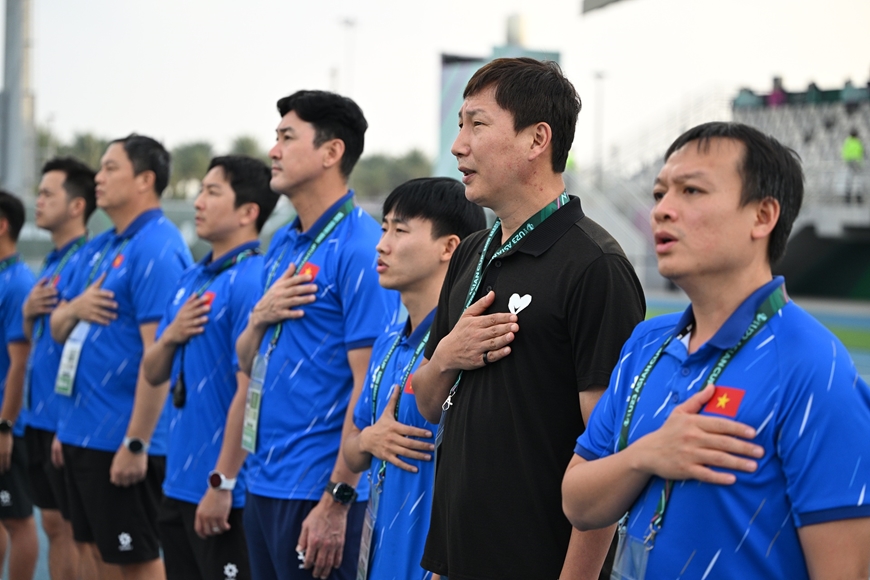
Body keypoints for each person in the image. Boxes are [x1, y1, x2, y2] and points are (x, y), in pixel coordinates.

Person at [562, 122, 870, 579]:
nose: (662, 210)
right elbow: (577, 502)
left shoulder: (814, 369)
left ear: (762, 216)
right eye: (660, 193)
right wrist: (646, 455)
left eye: (691, 191)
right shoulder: (646, 344)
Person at [411, 57, 646, 580]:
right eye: (459, 125)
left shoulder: (595, 266)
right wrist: (447, 355)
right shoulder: (471, 253)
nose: (458, 146)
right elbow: (427, 403)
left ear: (537, 139)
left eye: (477, 124)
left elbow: (610, 453)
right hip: (454, 560)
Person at [234, 90, 401, 580]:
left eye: (287, 137)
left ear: (331, 152)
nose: (273, 150)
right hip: (262, 481)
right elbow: (245, 360)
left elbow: (368, 385)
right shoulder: (283, 242)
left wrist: (337, 498)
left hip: (318, 492)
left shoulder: (361, 248)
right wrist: (259, 317)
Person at [50, 134, 193, 580]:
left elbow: (159, 357)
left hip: (122, 437)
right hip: (81, 430)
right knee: (91, 551)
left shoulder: (156, 248)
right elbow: (56, 327)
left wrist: (136, 442)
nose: (99, 177)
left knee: (134, 561)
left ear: (145, 180)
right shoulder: (100, 247)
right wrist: (74, 308)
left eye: (111, 168)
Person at [141, 155, 279, 580]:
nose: (198, 202)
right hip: (178, 483)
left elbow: (249, 390)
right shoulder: (191, 279)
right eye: (200, 190)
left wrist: (223, 482)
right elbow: (153, 372)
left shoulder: (253, 279)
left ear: (248, 212)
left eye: (212, 192)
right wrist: (171, 335)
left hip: (223, 491)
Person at [342, 178, 485, 580]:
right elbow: (352, 451)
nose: (381, 244)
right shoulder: (387, 341)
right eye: (383, 228)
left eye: (399, 230)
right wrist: (369, 440)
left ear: (449, 247)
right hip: (379, 561)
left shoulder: (464, 345)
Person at [22, 157, 97, 580]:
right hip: (40, 413)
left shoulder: (88, 261)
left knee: (72, 530)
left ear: (76, 205)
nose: (39, 201)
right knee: (54, 524)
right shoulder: (53, 261)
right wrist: (28, 314)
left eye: (48, 194)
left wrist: (67, 421)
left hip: (66, 418)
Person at [0, 190, 38, 580]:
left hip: (8, 423)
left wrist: (5, 427)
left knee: (17, 519)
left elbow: (20, 363)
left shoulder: (18, 282)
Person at [842, 128, 865, 203]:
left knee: (854, 180)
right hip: (853, 163)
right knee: (853, 180)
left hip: (854, 163)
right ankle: (853, 196)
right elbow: (845, 152)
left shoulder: (850, 141)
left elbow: (861, 151)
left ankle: (855, 196)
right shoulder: (855, 141)